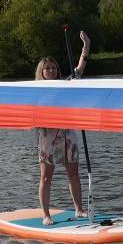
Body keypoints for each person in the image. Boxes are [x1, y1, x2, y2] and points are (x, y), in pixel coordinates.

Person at [31, 30, 92, 224]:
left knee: (73, 173)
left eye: (53, 68)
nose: (51, 71)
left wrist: (86, 46)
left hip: (67, 135)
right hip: (48, 137)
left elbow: (80, 69)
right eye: (47, 68)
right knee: (46, 177)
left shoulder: (67, 84)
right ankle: (46, 215)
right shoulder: (35, 90)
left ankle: (79, 209)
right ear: (41, 72)